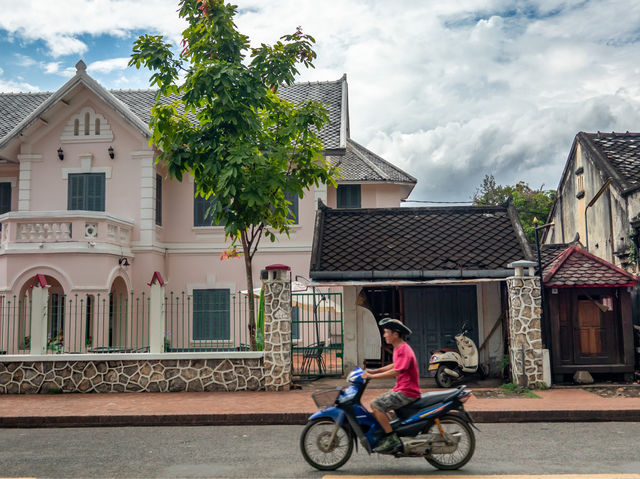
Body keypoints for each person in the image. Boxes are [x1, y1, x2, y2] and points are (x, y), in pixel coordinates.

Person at [362, 317, 420, 454]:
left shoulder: (403, 349)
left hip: (407, 392)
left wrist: (372, 376)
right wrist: (375, 370)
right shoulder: (399, 348)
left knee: (376, 405)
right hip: (401, 389)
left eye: (386, 332)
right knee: (380, 404)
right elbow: (395, 365)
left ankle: (391, 438)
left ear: (395, 334)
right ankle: (390, 430)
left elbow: (396, 371)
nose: (384, 335)